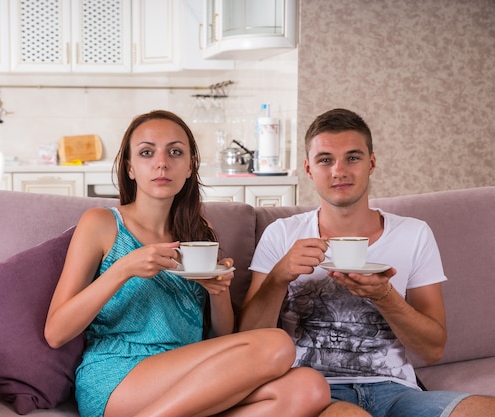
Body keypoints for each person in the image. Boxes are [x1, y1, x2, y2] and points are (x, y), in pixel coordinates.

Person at [44, 110, 330, 417]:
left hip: (193, 380)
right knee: (276, 344)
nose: (162, 163)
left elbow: (222, 340)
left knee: (309, 387)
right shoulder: (102, 223)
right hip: (120, 375)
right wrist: (124, 268)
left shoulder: (197, 236)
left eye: (175, 152)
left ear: (190, 166)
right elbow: (56, 332)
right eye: (146, 152)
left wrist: (218, 290)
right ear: (130, 168)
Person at [239, 108, 495, 417]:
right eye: (325, 160)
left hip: (396, 390)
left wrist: (384, 296)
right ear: (309, 169)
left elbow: (432, 349)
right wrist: (279, 276)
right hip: (316, 392)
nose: (339, 170)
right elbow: (248, 342)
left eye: (352, 157)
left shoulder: (413, 233)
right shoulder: (282, 234)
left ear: (371, 163)